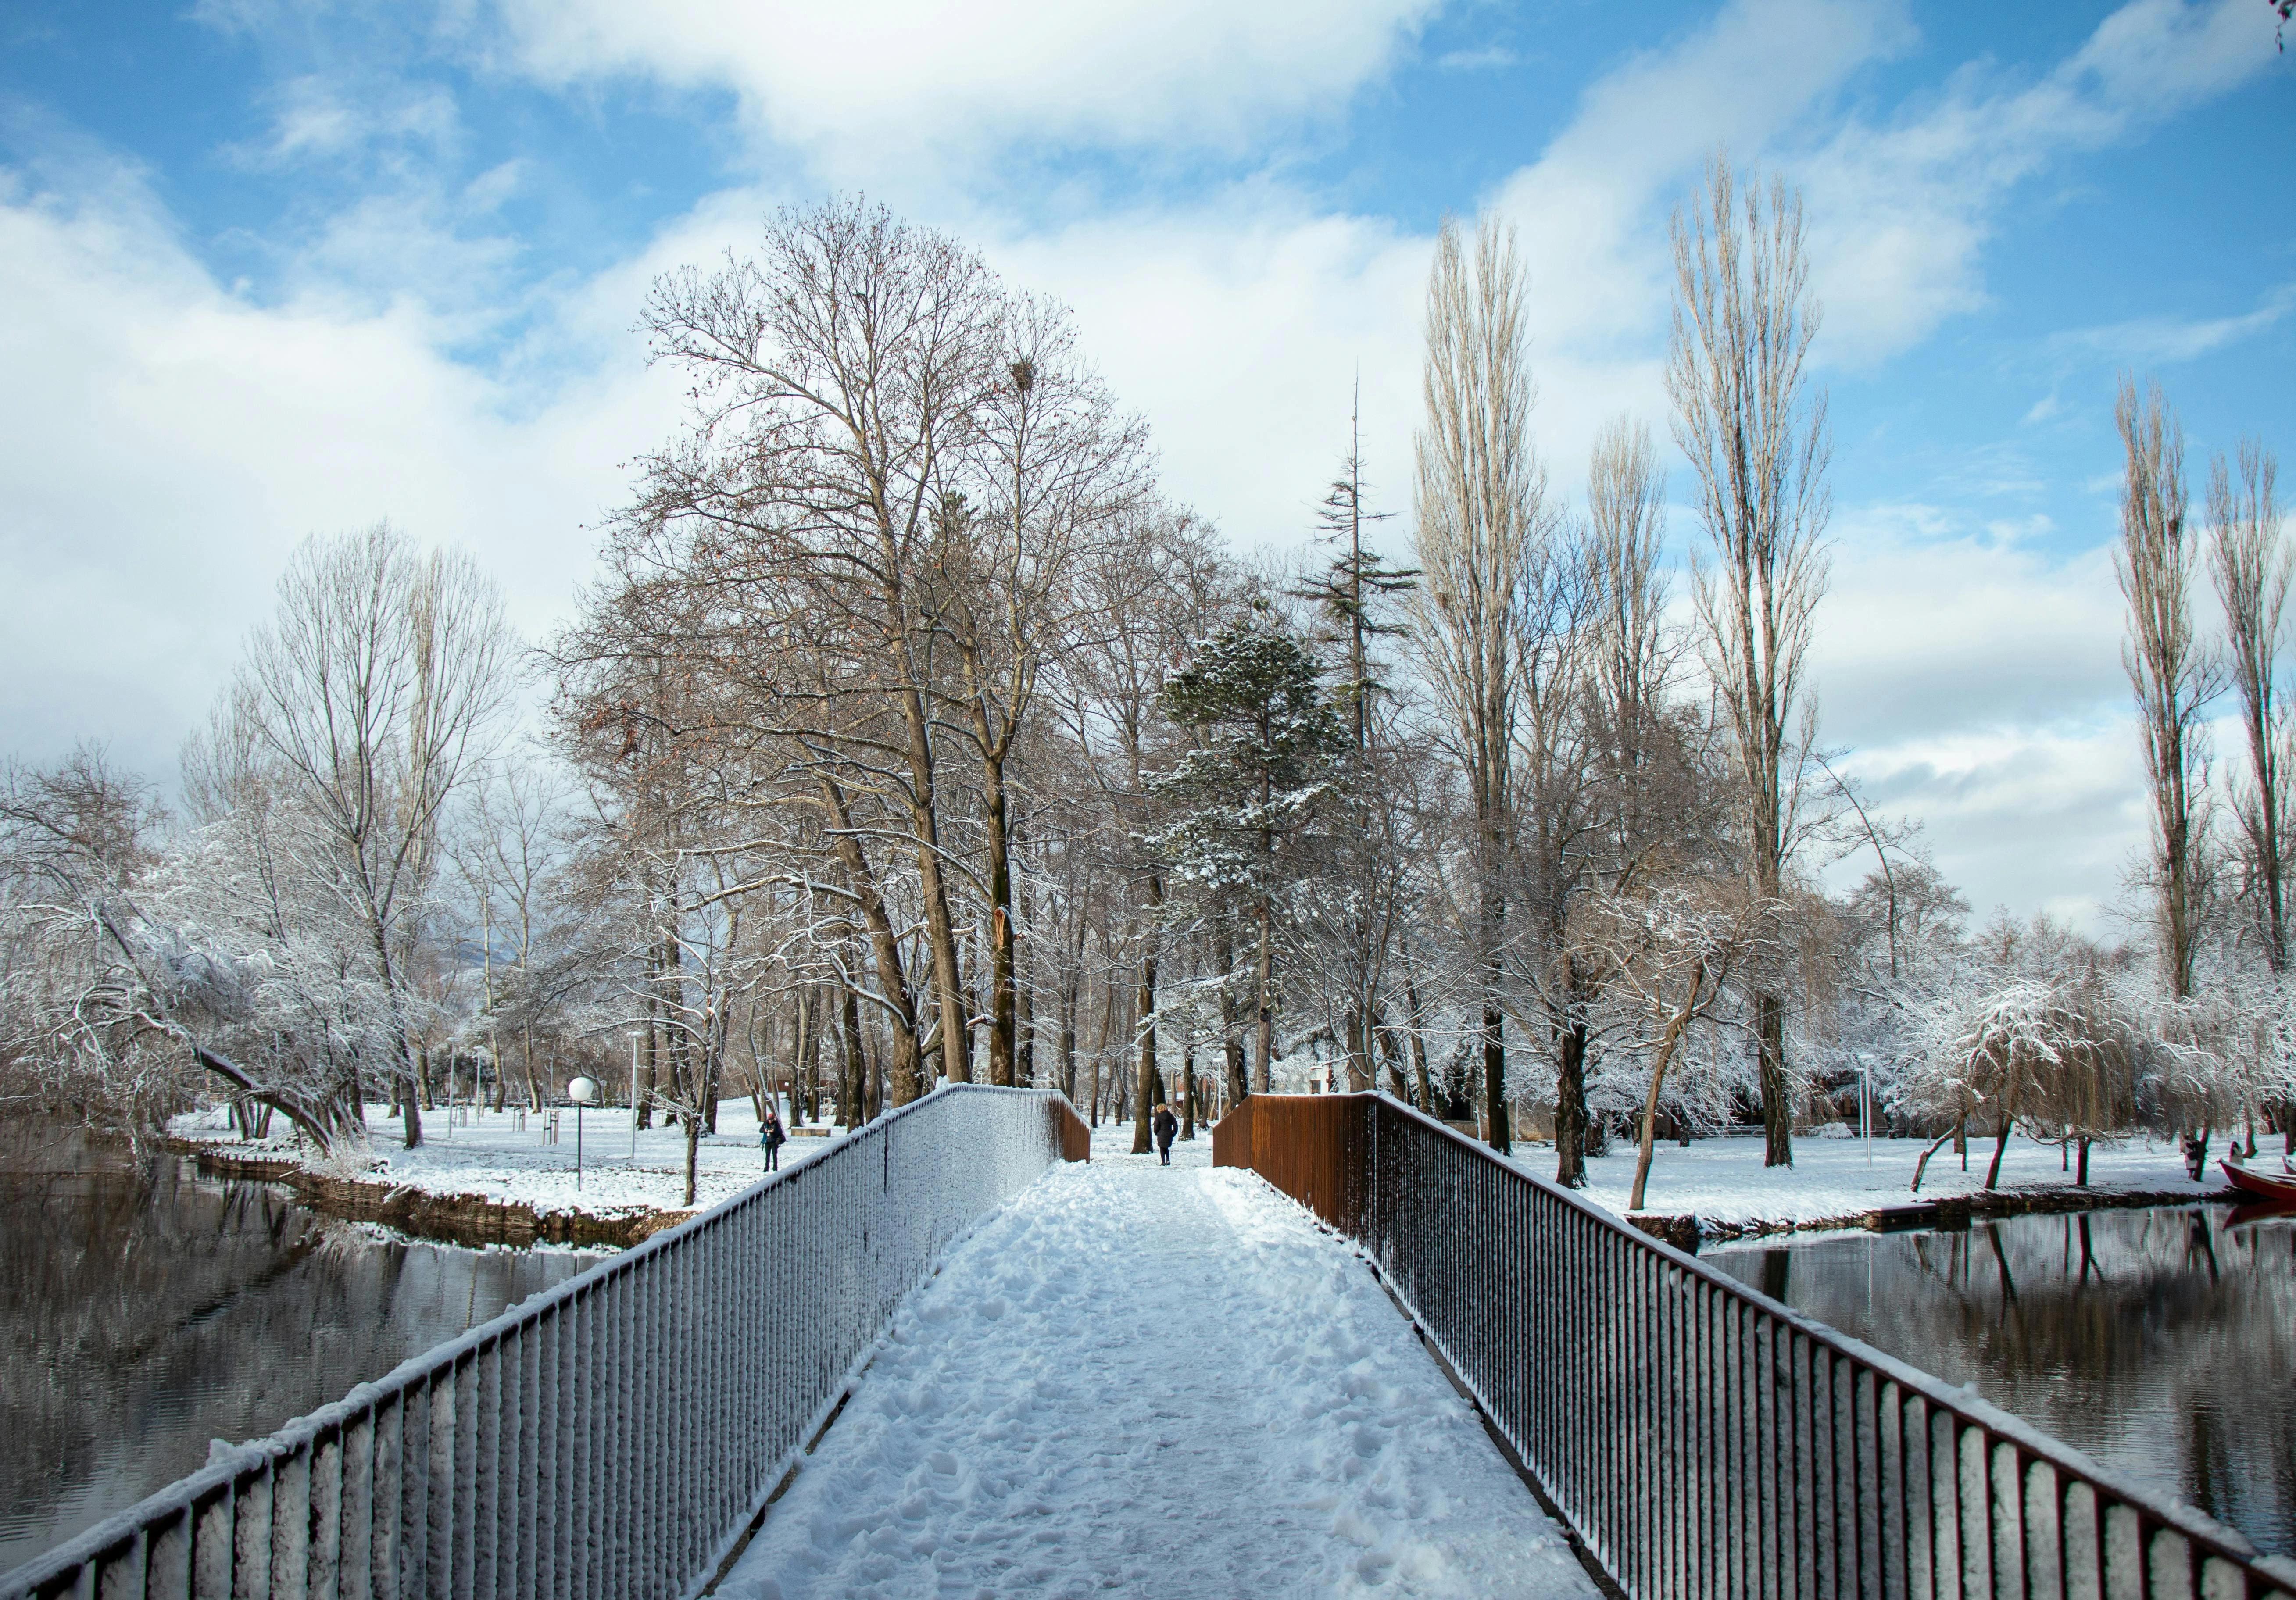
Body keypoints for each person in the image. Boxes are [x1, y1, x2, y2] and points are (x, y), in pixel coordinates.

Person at [761, 1102, 787, 1171]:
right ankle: (766, 1168)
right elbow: (761, 1130)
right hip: (767, 1142)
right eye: (769, 1120)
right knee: (767, 1156)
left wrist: (774, 1131)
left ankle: (775, 1168)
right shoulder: (766, 1123)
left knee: (774, 1156)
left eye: (771, 1120)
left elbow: (779, 1132)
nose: (770, 1121)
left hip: (774, 1142)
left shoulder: (776, 1124)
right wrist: (765, 1130)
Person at [1152, 1102, 1178, 1166]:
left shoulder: (1158, 1117)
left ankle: (1163, 1162)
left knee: (1162, 1148)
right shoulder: (1171, 1116)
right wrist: (1174, 1132)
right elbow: (1175, 1125)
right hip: (1169, 1134)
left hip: (1161, 1134)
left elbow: (1156, 1126)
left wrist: (1157, 1133)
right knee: (1166, 1148)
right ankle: (1168, 1160)